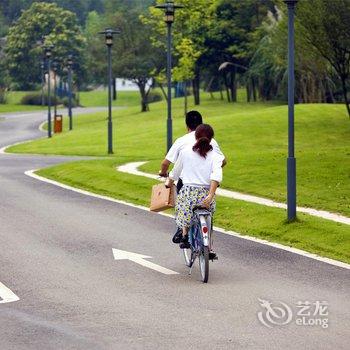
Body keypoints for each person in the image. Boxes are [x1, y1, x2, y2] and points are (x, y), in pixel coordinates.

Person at [165, 124, 223, 257]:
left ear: (195, 137)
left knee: (182, 210)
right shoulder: (215, 155)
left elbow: (176, 172)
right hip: (206, 195)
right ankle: (209, 247)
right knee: (208, 219)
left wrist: (169, 181)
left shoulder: (185, 152)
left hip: (188, 193)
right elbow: (217, 175)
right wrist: (210, 195)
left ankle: (184, 235)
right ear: (211, 138)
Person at [159, 110, 226, 193]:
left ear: (187, 126)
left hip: (186, 185)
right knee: (207, 203)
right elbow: (222, 162)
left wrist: (163, 173)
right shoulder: (211, 141)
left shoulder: (181, 141)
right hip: (207, 186)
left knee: (182, 202)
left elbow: (165, 164)